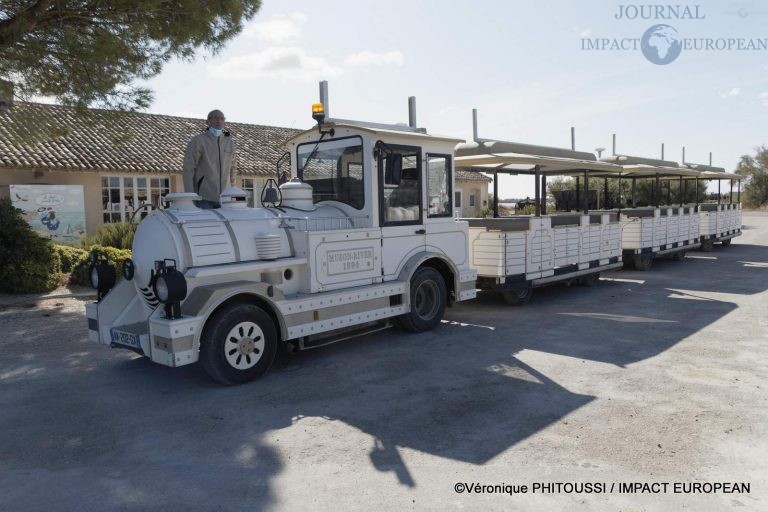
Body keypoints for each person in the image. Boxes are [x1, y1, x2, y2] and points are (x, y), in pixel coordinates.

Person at [182, 109, 237, 208]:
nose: (219, 121)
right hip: (204, 199)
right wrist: (190, 195)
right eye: (215, 118)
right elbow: (188, 169)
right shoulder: (198, 141)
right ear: (208, 121)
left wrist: (232, 191)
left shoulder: (229, 142)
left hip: (226, 199)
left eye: (221, 118)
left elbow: (233, 169)